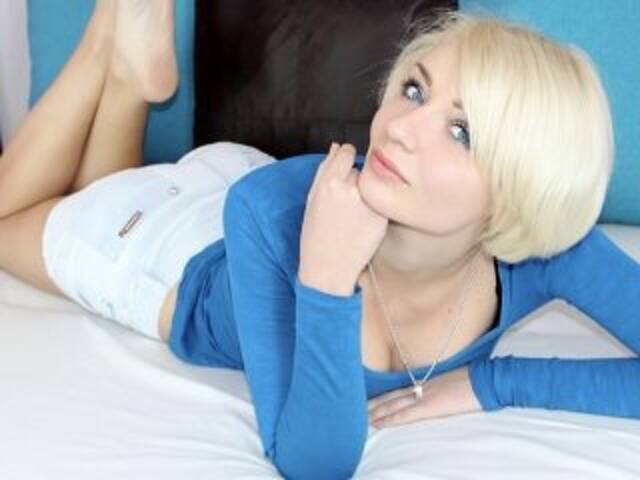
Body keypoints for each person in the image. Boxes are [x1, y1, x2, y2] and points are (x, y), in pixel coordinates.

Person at [0, 2, 638, 479]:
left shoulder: (547, 249)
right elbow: (313, 463)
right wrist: (327, 280)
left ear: (520, 191)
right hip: (175, 257)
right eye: (414, 89)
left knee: (107, 189)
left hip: (260, 195)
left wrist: (492, 384)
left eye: (460, 131)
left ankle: (129, 73)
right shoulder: (270, 213)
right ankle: (100, 46)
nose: (401, 128)